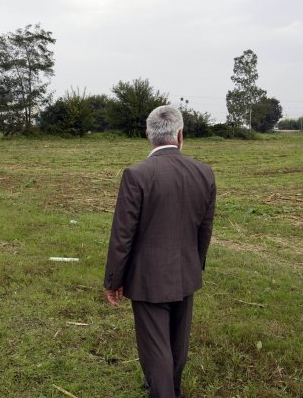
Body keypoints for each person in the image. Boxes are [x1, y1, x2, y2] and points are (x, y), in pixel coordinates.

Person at [103, 105, 216, 398]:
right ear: (180, 135)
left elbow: (122, 235)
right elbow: (205, 230)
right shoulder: (204, 173)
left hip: (148, 279)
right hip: (186, 273)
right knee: (177, 344)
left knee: (157, 350)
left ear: (148, 135)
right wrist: (194, 264)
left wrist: (113, 279)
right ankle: (170, 388)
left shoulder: (137, 175)